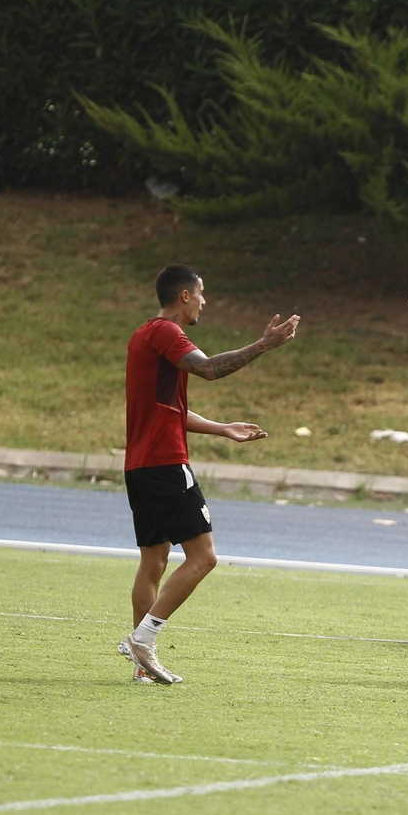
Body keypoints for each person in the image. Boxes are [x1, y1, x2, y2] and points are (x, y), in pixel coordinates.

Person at [118, 263, 299, 684]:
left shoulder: (142, 335)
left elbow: (167, 411)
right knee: (204, 557)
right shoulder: (167, 332)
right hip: (165, 464)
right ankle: (143, 638)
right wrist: (265, 344)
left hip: (140, 466)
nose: (205, 301)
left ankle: (142, 668)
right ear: (184, 296)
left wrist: (221, 428)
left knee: (154, 561)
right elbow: (210, 368)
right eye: (201, 293)